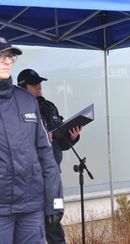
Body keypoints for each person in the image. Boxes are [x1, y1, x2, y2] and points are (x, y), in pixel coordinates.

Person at [0, 37, 63, 243]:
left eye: (9, 56)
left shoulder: (27, 101)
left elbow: (46, 156)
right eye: (1, 56)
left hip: (31, 207)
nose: (7, 61)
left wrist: (54, 202)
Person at [17, 68, 82, 244]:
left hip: (53, 177)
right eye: (34, 84)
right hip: (32, 179)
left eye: (40, 83)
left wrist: (72, 136)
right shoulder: (16, 111)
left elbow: (62, 144)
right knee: (33, 224)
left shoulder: (49, 106)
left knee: (54, 220)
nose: (39, 87)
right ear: (22, 87)